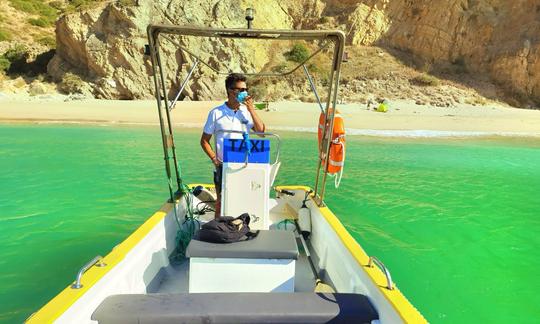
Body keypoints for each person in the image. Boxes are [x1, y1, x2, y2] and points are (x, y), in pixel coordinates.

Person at [200, 73, 266, 218]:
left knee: (245, 200)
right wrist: (213, 158)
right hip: (223, 165)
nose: (244, 93)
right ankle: (219, 232)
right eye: (241, 90)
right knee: (221, 203)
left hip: (245, 164)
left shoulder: (246, 113)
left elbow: (261, 132)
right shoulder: (216, 113)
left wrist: (251, 110)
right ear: (231, 91)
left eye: (245, 89)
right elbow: (204, 140)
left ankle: (241, 228)